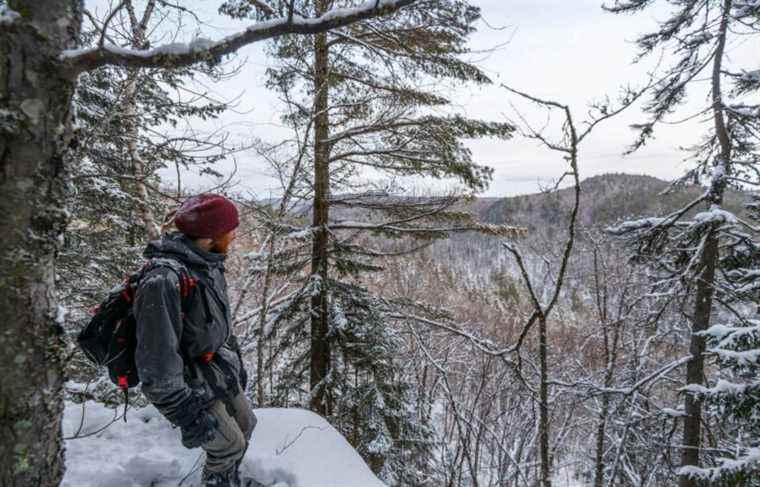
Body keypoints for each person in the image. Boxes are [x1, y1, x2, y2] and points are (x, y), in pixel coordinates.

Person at [133, 194, 256, 487]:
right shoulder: (163, 279)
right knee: (227, 445)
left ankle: (227, 480)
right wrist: (185, 410)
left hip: (215, 368)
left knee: (246, 425)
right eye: (230, 230)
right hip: (189, 381)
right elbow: (156, 359)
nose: (234, 235)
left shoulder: (207, 264)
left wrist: (234, 363)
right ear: (211, 235)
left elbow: (217, 324)